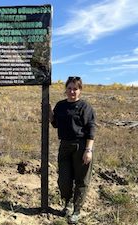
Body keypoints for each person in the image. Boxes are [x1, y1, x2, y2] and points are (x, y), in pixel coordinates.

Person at [49, 76, 96, 224]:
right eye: (69, 88)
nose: (72, 91)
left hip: (81, 146)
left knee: (82, 180)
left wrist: (88, 150)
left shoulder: (85, 107)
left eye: (75, 88)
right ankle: (67, 204)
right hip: (64, 146)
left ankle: (76, 210)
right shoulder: (61, 105)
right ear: (66, 90)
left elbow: (91, 129)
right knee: (64, 179)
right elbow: (55, 123)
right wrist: (49, 111)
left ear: (80, 90)